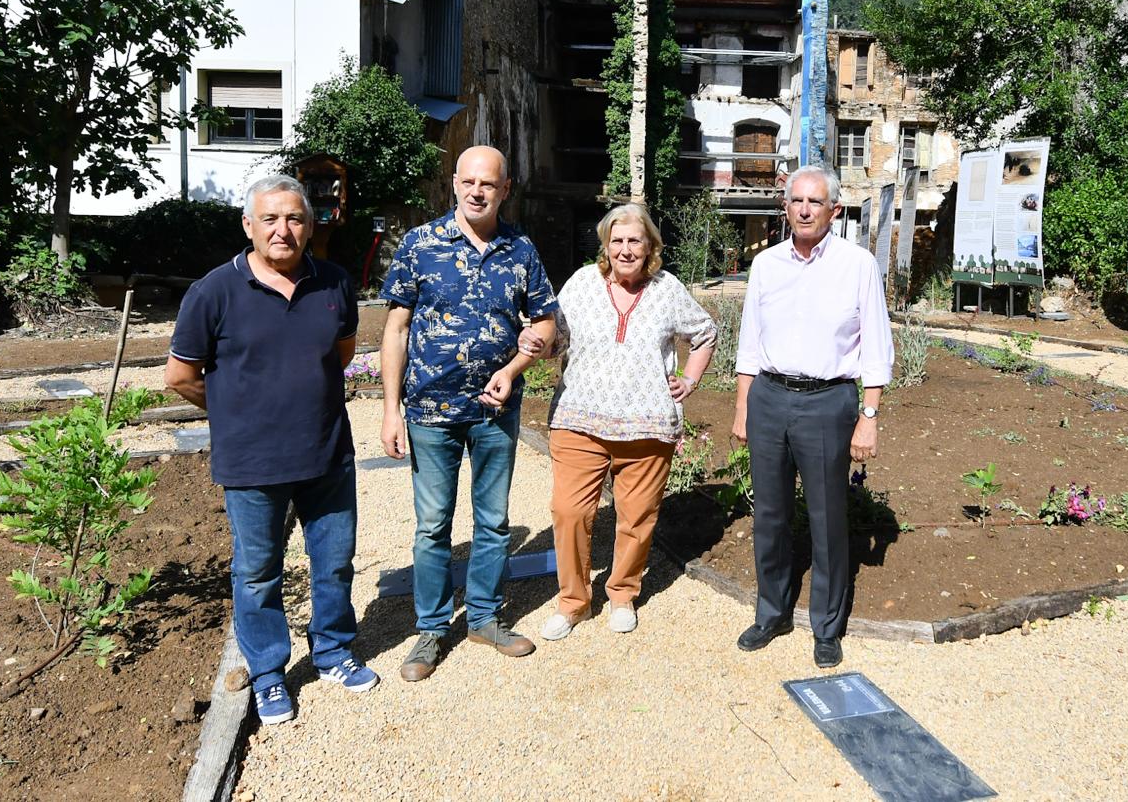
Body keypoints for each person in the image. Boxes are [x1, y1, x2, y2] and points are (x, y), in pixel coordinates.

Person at [165, 175, 375, 727]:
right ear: (249, 226)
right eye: (271, 219)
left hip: (328, 453)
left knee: (334, 564)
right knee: (258, 573)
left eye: (296, 219)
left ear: (310, 225)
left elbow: (341, 350)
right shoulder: (214, 291)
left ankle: (331, 651)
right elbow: (181, 376)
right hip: (253, 463)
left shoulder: (332, 282)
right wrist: (237, 415)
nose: (284, 230)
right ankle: (268, 674)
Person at [380, 145, 558, 680]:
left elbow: (546, 326)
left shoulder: (520, 249)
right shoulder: (420, 244)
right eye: (468, 182)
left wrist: (517, 366)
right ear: (454, 183)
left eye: (489, 184)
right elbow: (396, 330)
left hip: (494, 412)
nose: (477, 191)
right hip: (430, 410)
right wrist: (390, 411)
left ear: (506, 190)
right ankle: (432, 629)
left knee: (493, 521)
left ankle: (484, 616)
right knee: (433, 525)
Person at [517, 203, 716, 641]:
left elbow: (705, 332)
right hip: (578, 419)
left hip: (647, 425)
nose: (626, 250)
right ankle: (573, 602)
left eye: (635, 241)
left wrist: (689, 378)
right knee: (568, 512)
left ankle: (623, 594)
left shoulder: (667, 288)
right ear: (606, 245)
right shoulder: (582, 283)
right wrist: (536, 341)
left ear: (650, 247)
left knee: (637, 516)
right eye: (618, 241)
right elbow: (557, 340)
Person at [732, 164, 893, 669]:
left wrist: (869, 415)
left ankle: (826, 626)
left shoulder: (857, 264)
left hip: (829, 403)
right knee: (771, 516)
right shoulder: (767, 265)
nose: (804, 209)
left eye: (815, 202)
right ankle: (773, 611)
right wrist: (742, 408)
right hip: (770, 398)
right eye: (796, 201)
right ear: (785, 207)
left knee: (827, 519)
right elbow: (749, 342)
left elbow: (876, 346)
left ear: (834, 210)